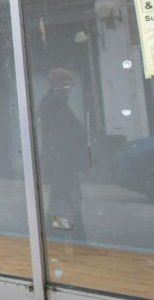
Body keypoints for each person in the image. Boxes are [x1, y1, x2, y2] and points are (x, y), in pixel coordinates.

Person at [37, 68, 88, 242]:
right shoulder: (55, 104)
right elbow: (60, 138)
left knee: (64, 203)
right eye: (67, 84)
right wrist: (72, 165)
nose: (70, 88)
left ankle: (67, 240)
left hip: (62, 165)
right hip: (62, 166)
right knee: (63, 203)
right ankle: (65, 240)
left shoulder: (55, 103)